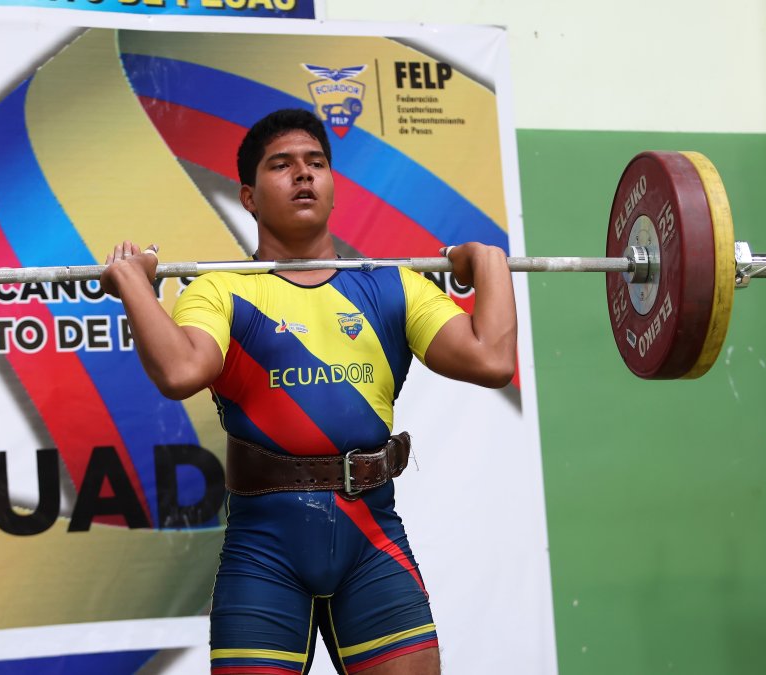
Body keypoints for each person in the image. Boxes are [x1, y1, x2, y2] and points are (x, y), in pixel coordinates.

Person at [101, 108, 516, 675]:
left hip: (373, 541)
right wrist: (133, 285)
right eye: (282, 165)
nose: (303, 174)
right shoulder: (220, 291)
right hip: (264, 552)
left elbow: (491, 360)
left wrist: (489, 263)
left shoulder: (394, 285)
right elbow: (179, 372)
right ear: (248, 197)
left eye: (315, 163)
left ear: (332, 185)